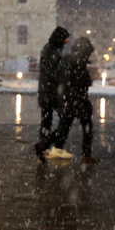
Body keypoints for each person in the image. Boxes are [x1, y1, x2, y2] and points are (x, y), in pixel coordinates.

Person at [35, 36, 99, 164]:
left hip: (66, 98)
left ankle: (44, 144)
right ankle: (86, 155)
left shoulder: (66, 58)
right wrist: (89, 80)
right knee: (87, 126)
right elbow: (81, 80)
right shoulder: (79, 60)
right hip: (78, 99)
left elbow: (61, 77)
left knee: (63, 128)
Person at [36, 27, 70, 158]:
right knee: (65, 117)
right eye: (65, 39)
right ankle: (55, 146)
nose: (66, 41)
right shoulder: (52, 51)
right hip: (51, 93)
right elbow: (54, 73)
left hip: (47, 92)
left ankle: (43, 146)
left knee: (46, 121)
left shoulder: (52, 49)